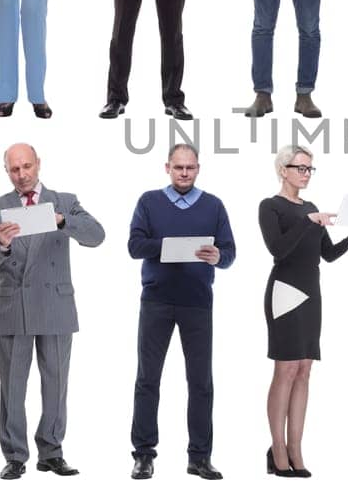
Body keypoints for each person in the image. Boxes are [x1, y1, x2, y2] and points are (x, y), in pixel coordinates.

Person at [0, 143, 105, 480]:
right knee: (13, 387)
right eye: (14, 169)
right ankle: (15, 455)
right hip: (13, 305)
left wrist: (62, 220)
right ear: (7, 171)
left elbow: (97, 236)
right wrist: (1, 244)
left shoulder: (64, 200)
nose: (21, 175)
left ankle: (51, 451)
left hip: (56, 304)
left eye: (26, 167)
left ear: (38, 165)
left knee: (56, 384)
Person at [126, 144, 236, 480]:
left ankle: (199, 457)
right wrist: (169, 247)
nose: (184, 173)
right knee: (148, 379)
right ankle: (143, 454)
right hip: (156, 301)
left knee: (201, 382)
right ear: (167, 168)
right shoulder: (149, 201)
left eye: (190, 168)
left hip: (197, 302)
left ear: (198, 169)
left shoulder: (213, 205)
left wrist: (218, 257)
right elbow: (134, 246)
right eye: (178, 168)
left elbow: (229, 253)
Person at [261, 145, 348, 478]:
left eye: (310, 169)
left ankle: (296, 448)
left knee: (305, 369)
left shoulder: (312, 208)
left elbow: (328, 255)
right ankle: (277, 449)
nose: (306, 173)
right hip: (285, 292)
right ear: (283, 169)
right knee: (285, 370)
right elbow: (278, 250)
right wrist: (308, 222)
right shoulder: (271, 206)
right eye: (301, 167)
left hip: (311, 294)